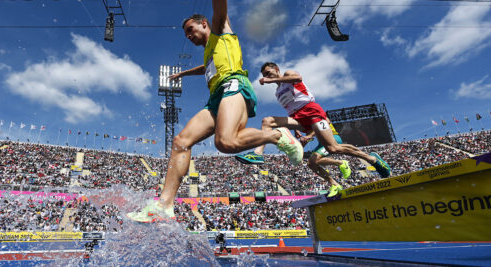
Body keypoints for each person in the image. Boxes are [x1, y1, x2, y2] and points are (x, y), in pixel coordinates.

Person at [126, 1, 303, 223]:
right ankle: (164, 204)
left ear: (205, 24)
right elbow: (205, 68)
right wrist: (182, 75)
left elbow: (220, 7)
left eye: (191, 30)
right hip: (216, 97)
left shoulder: (221, 32)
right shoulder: (209, 51)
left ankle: (277, 136)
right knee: (181, 141)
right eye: (186, 34)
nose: (188, 36)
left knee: (225, 142)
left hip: (233, 85)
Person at [235, 62, 391, 196]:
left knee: (333, 148)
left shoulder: (288, 74)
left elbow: (298, 78)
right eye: (265, 75)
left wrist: (274, 79)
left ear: (276, 69)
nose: (267, 77)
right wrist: (296, 130)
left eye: (268, 73)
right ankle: (258, 154)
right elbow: (290, 108)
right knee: (267, 121)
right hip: (298, 118)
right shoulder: (277, 92)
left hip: (312, 111)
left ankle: (372, 159)